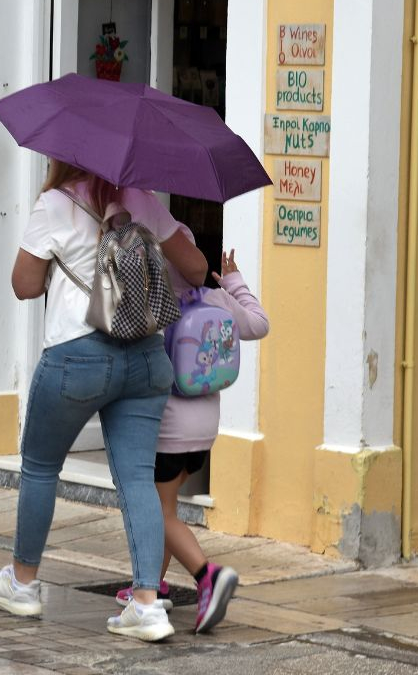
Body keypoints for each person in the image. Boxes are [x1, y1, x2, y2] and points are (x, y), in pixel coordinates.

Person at [0, 159, 206, 642]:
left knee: (39, 467)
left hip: (76, 357)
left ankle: (22, 582)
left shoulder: (55, 204)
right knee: (138, 478)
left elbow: (24, 285)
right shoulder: (142, 198)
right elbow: (198, 268)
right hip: (145, 358)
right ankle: (146, 604)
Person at [115, 248, 269, 633]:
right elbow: (259, 324)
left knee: (157, 512)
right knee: (164, 507)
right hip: (205, 432)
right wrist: (233, 281)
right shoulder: (216, 300)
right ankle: (151, 585)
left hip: (169, 430)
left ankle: (207, 576)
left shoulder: (156, 307)